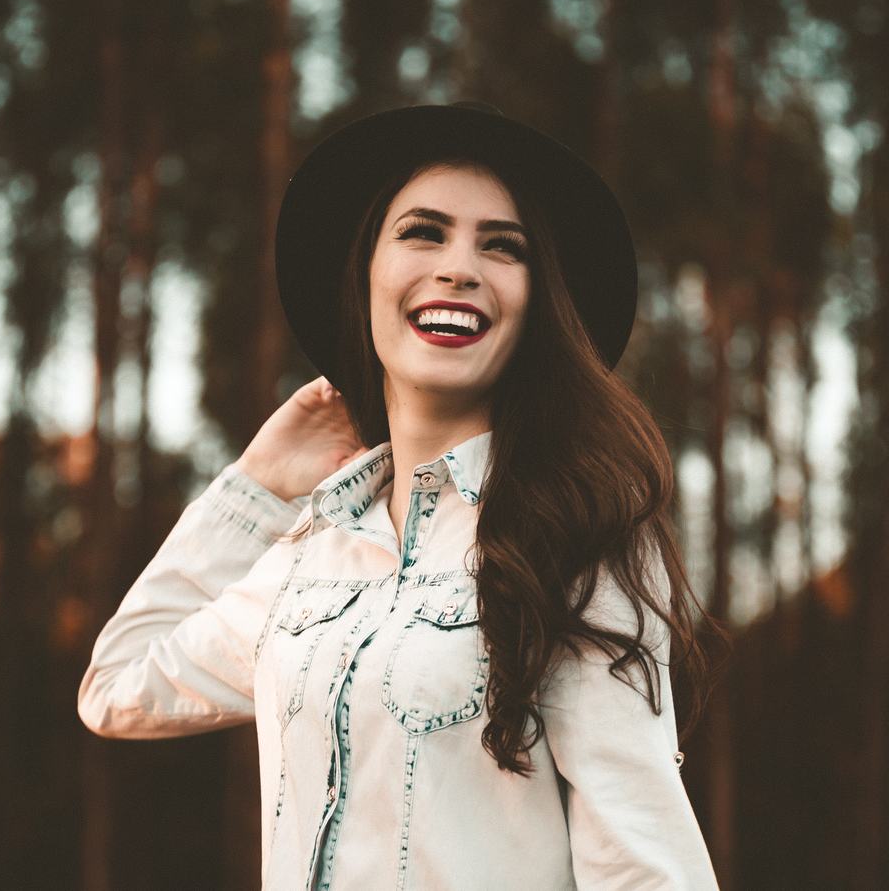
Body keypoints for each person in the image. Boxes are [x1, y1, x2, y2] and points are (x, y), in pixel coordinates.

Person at [78, 102, 725, 889]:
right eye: (424, 231)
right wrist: (255, 487)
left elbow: (643, 862)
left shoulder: (579, 535)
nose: (458, 267)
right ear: (366, 274)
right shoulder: (311, 552)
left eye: (503, 246)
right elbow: (118, 686)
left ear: (536, 304)